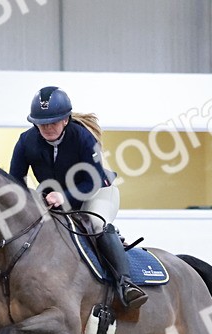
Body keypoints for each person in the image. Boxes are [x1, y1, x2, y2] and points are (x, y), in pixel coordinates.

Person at [9, 86, 146, 310]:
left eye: (53, 122)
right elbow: (16, 180)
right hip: (54, 196)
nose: (47, 128)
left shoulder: (83, 138)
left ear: (65, 120)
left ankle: (126, 284)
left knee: (96, 224)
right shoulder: (26, 141)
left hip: (97, 191)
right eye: (42, 123)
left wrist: (63, 196)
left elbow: (93, 181)